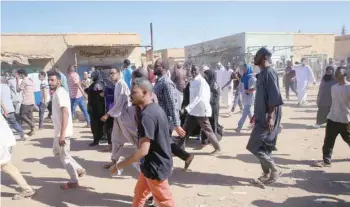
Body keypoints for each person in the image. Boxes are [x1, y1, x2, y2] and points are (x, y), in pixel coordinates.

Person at [111, 78, 175, 207]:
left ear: (145, 93)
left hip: (156, 167)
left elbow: (143, 150)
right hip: (151, 165)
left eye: (134, 92)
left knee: (164, 201)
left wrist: (119, 165)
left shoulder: (147, 116)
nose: (130, 95)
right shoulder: (155, 109)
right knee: (139, 194)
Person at [246, 47, 283, 185]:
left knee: (253, 146)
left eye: (258, 56)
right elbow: (261, 97)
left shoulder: (270, 72)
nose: (255, 58)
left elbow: (274, 97)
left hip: (269, 115)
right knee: (264, 146)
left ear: (265, 58)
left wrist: (270, 117)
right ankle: (266, 173)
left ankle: (274, 169)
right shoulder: (261, 74)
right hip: (261, 114)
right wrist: (256, 115)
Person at [153, 58, 194, 170]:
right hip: (159, 119)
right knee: (164, 143)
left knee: (162, 144)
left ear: (163, 67)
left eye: (156, 65)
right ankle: (186, 156)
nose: (153, 66)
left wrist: (177, 125)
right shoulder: (159, 81)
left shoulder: (167, 83)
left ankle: (166, 168)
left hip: (165, 120)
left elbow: (172, 105)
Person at [48, 71, 85, 190]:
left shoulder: (61, 93)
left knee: (64, 158)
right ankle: (79, 168)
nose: (50, 82)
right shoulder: (57, 93)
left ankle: (74, 181)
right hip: (58, 131)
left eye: (52, 80)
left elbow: (65, 113)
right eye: (49, 80)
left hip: (62, 132)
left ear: (59, 81)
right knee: (58, 153)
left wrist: (62, 134)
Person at [100, 68, 138, 169]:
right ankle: (113, 161)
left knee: (135, 139)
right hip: (118, 116)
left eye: (113, 73)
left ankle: (146, 158)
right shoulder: (117, 85)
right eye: (110, 74)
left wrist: (107, 114)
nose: (111, 75)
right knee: (115, 139)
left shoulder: (122, 84)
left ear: (119, 74)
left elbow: (120, 103)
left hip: (125, 116)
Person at [179, 65, 222, 154]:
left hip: (201, 111)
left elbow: (199, 97)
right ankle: (180, 149)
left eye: (195, 70)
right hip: (192, 111)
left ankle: (218, 148)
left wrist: (188, 108)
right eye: (192, 70)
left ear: (199, 71)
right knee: (185, 129)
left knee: (208, 130)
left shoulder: (201, 82)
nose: (193, 72)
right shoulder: (192, 81)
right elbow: (191, 97)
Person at [313, 66, 350, 167]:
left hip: (345, 120)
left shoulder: (349, 87)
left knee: (348, 139)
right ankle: (326, 161)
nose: (337, 74)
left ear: (345, 74)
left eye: (340, 72)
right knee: (328, 140)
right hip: (333, 118)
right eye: (336, 72)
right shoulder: (334, 87)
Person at [0, 114, 35, 200]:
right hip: (5, 141)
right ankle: (27, 189)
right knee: (6, 165)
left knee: (6, 165)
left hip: (2, 142)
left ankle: (27, 189)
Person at [201, 69, 223, 146]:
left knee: (213, 123)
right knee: (206, 123)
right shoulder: (207, 83)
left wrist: (206, 95)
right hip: (207, 107)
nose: (205, 77)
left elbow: (215, 98)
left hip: (214, 107)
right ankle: (206, 139)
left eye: (206, 75)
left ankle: (214, 139)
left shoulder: (215, 85)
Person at [85, 71, 106, 146]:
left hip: (95, 109)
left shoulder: (97, 84)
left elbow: (98, 92)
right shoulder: (101, 83)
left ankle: (96, 140)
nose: (92, 78)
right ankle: (101, 138)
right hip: (100, 108)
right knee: (101, 124)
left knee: (95, 125)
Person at [236, 64, 256, 133]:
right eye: (243, 68)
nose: (243, 70)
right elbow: (240, 87)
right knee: (249, 113)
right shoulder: (243, 78)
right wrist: (241, 91)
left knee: (244, 113)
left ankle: (239, 126)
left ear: (248, 69)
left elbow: (255, 87)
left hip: (250, 98)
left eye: (245, 68)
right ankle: (255, 124)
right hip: (244, 98)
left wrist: (248, 90)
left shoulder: (252, 78)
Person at [16, 69, 35, 136]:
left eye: (19, 74)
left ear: (22, 74)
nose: (18, 76)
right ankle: (32, 131)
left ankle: (32, 125)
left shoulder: (24, 81)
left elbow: (18, 90)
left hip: (26, 101)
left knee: (22, 115)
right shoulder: (30, 80)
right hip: (32, 100)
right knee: (30, 116)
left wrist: (17, 80)